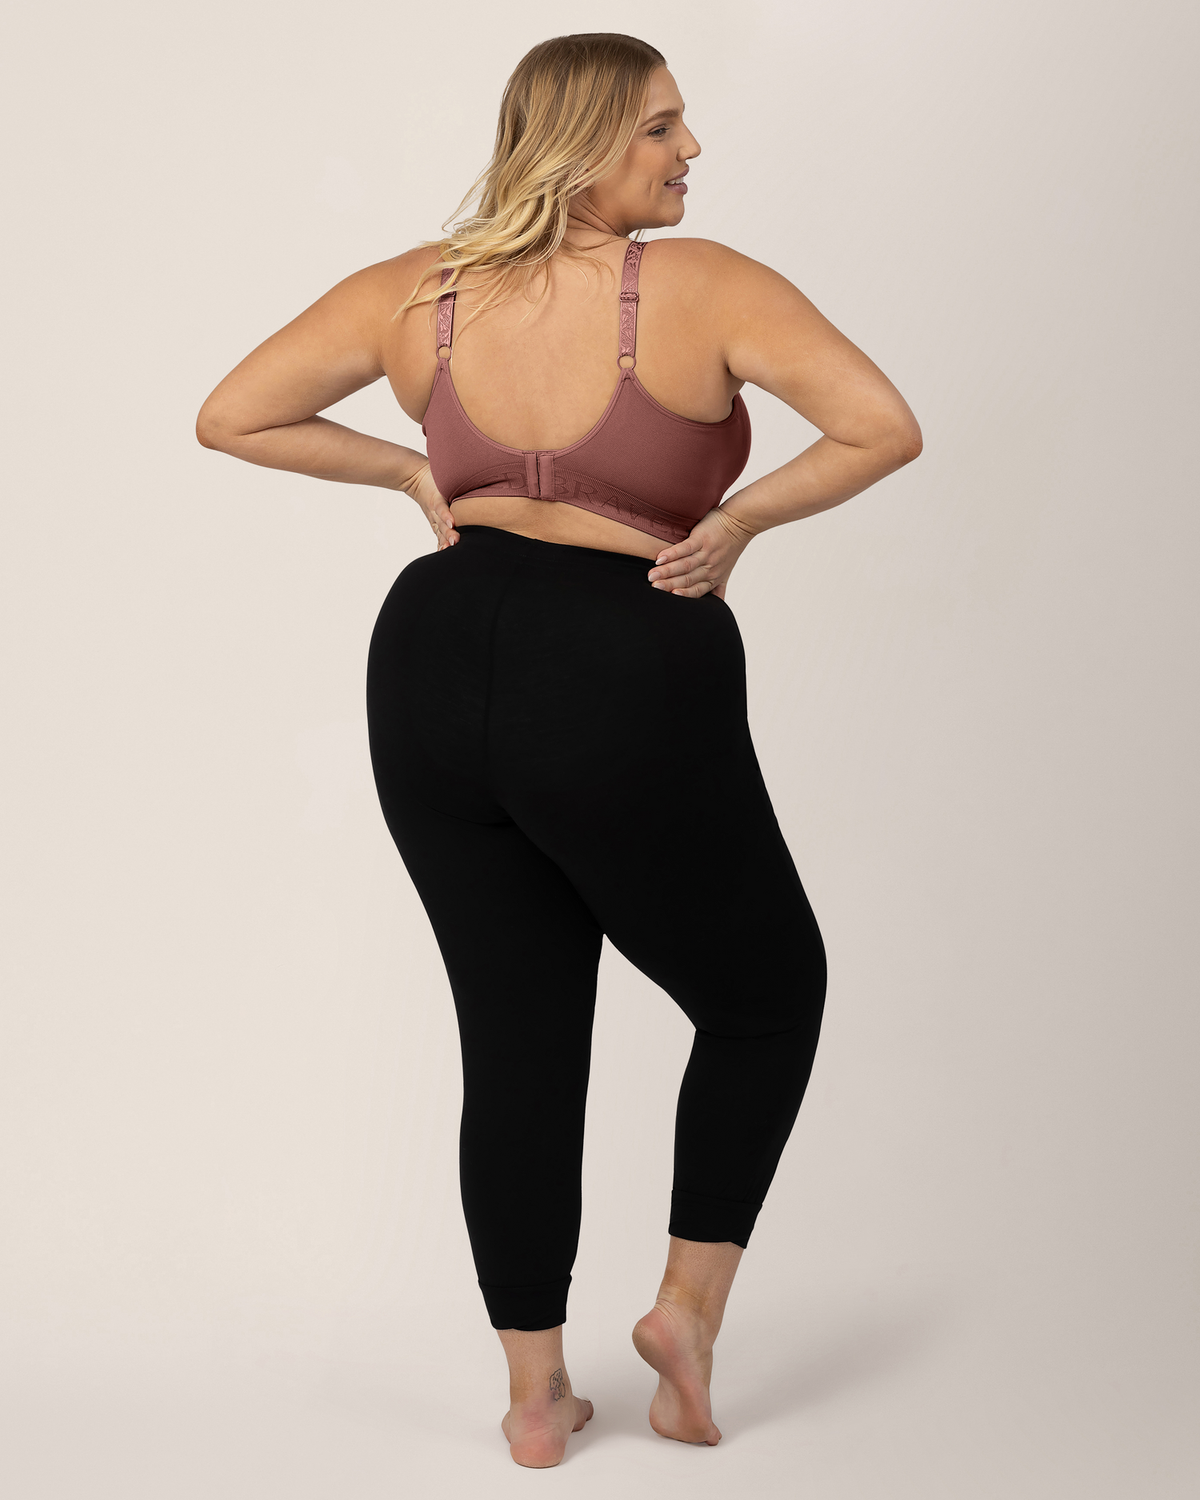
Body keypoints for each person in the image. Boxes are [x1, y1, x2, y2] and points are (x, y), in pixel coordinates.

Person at [196, 31, 922, 1470]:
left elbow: (232, 415)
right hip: (618, 658)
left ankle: (535, 1399)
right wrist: (736, 522)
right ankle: (684, 1320)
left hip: (431, 654)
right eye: (659, 126)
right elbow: (881, 428)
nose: (690, 149)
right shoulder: (704, 287)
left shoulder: (419, 290)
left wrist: (416, 469)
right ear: (582, 141)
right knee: (768, 995)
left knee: (517, 1032)